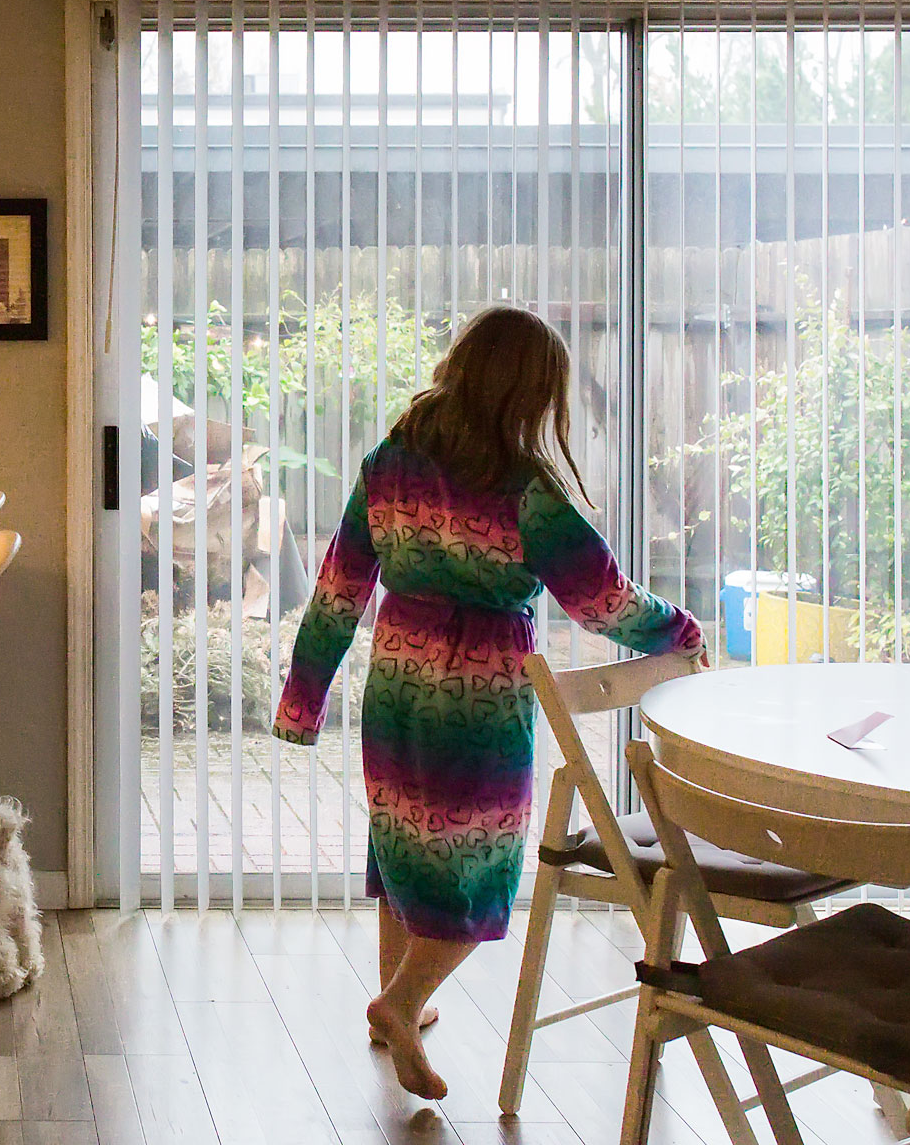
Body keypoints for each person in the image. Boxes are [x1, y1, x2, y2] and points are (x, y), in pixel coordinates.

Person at [272, 305, 704, 1101]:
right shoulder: (527, 491)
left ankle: (396, 1008)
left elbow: (337, 593)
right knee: (481, 866)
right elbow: (603, 601)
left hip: (398, 686)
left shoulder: (389, 462)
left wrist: (303, 700)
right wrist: (679, 628)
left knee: (403, 845)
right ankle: (401, 999)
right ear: (531, 394)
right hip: (480, 701)